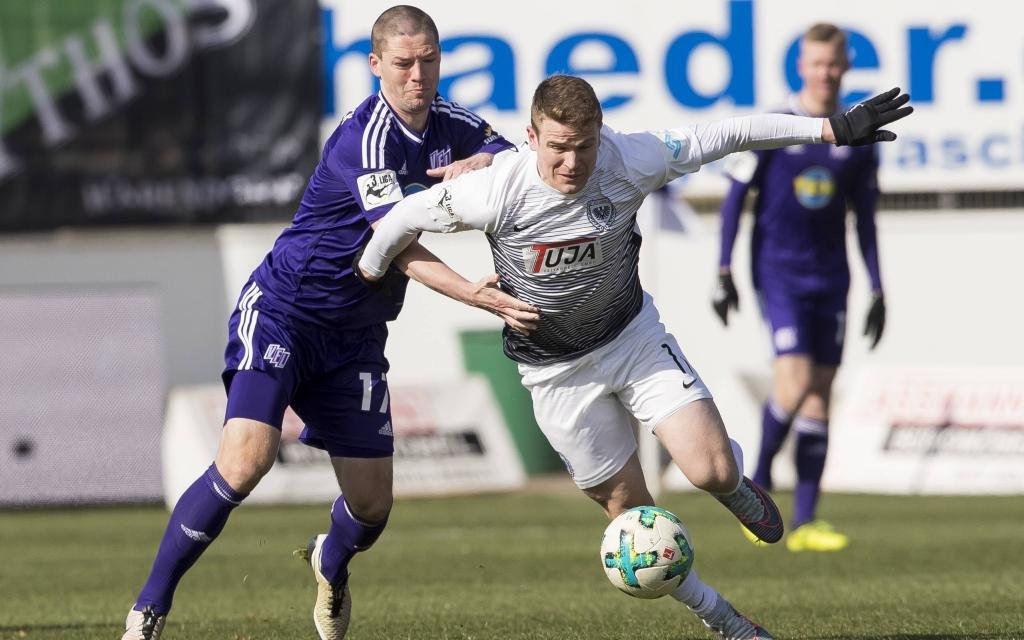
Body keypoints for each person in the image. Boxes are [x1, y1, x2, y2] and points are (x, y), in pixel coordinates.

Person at [356, 74, 910, 639]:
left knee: (711, 470)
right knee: (637, 527)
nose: (572, 162)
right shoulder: (493, 188)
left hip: (632, 340)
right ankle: (724, 620)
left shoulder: (630, 157)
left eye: (585, 145)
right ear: (530, 138)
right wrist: (372, 271)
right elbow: (399, 221)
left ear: (602, 134)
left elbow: (731, 133)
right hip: (554, 374)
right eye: (558, 147)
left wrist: (831, 129)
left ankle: (735, 487)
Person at [119, 6, 539, 640]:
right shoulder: (363, 138)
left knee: (372, 507)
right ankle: (148, 609)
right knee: (247, 460)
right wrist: (475, 295)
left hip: (357, 336)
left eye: (428, 59)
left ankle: (329, 561)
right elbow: (394, 242)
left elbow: (513, 165)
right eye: (403, 62)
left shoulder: (456, 125)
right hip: (287, 311)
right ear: (375, 66)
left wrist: (486, 164)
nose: (417, 74)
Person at [711, 23, 887, 553]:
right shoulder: (776, 124)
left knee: (819, 397)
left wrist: (879, 288)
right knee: (793, 381)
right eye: (816, 63)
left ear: (845, 65)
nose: (825, 72)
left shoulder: (858, 135)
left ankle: (806, 522)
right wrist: (724, 270)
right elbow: (733, 200)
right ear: (801, 67)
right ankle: (755, 494)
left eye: (833, 63)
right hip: (778, 272)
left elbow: (868, 219)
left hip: (832, 279)